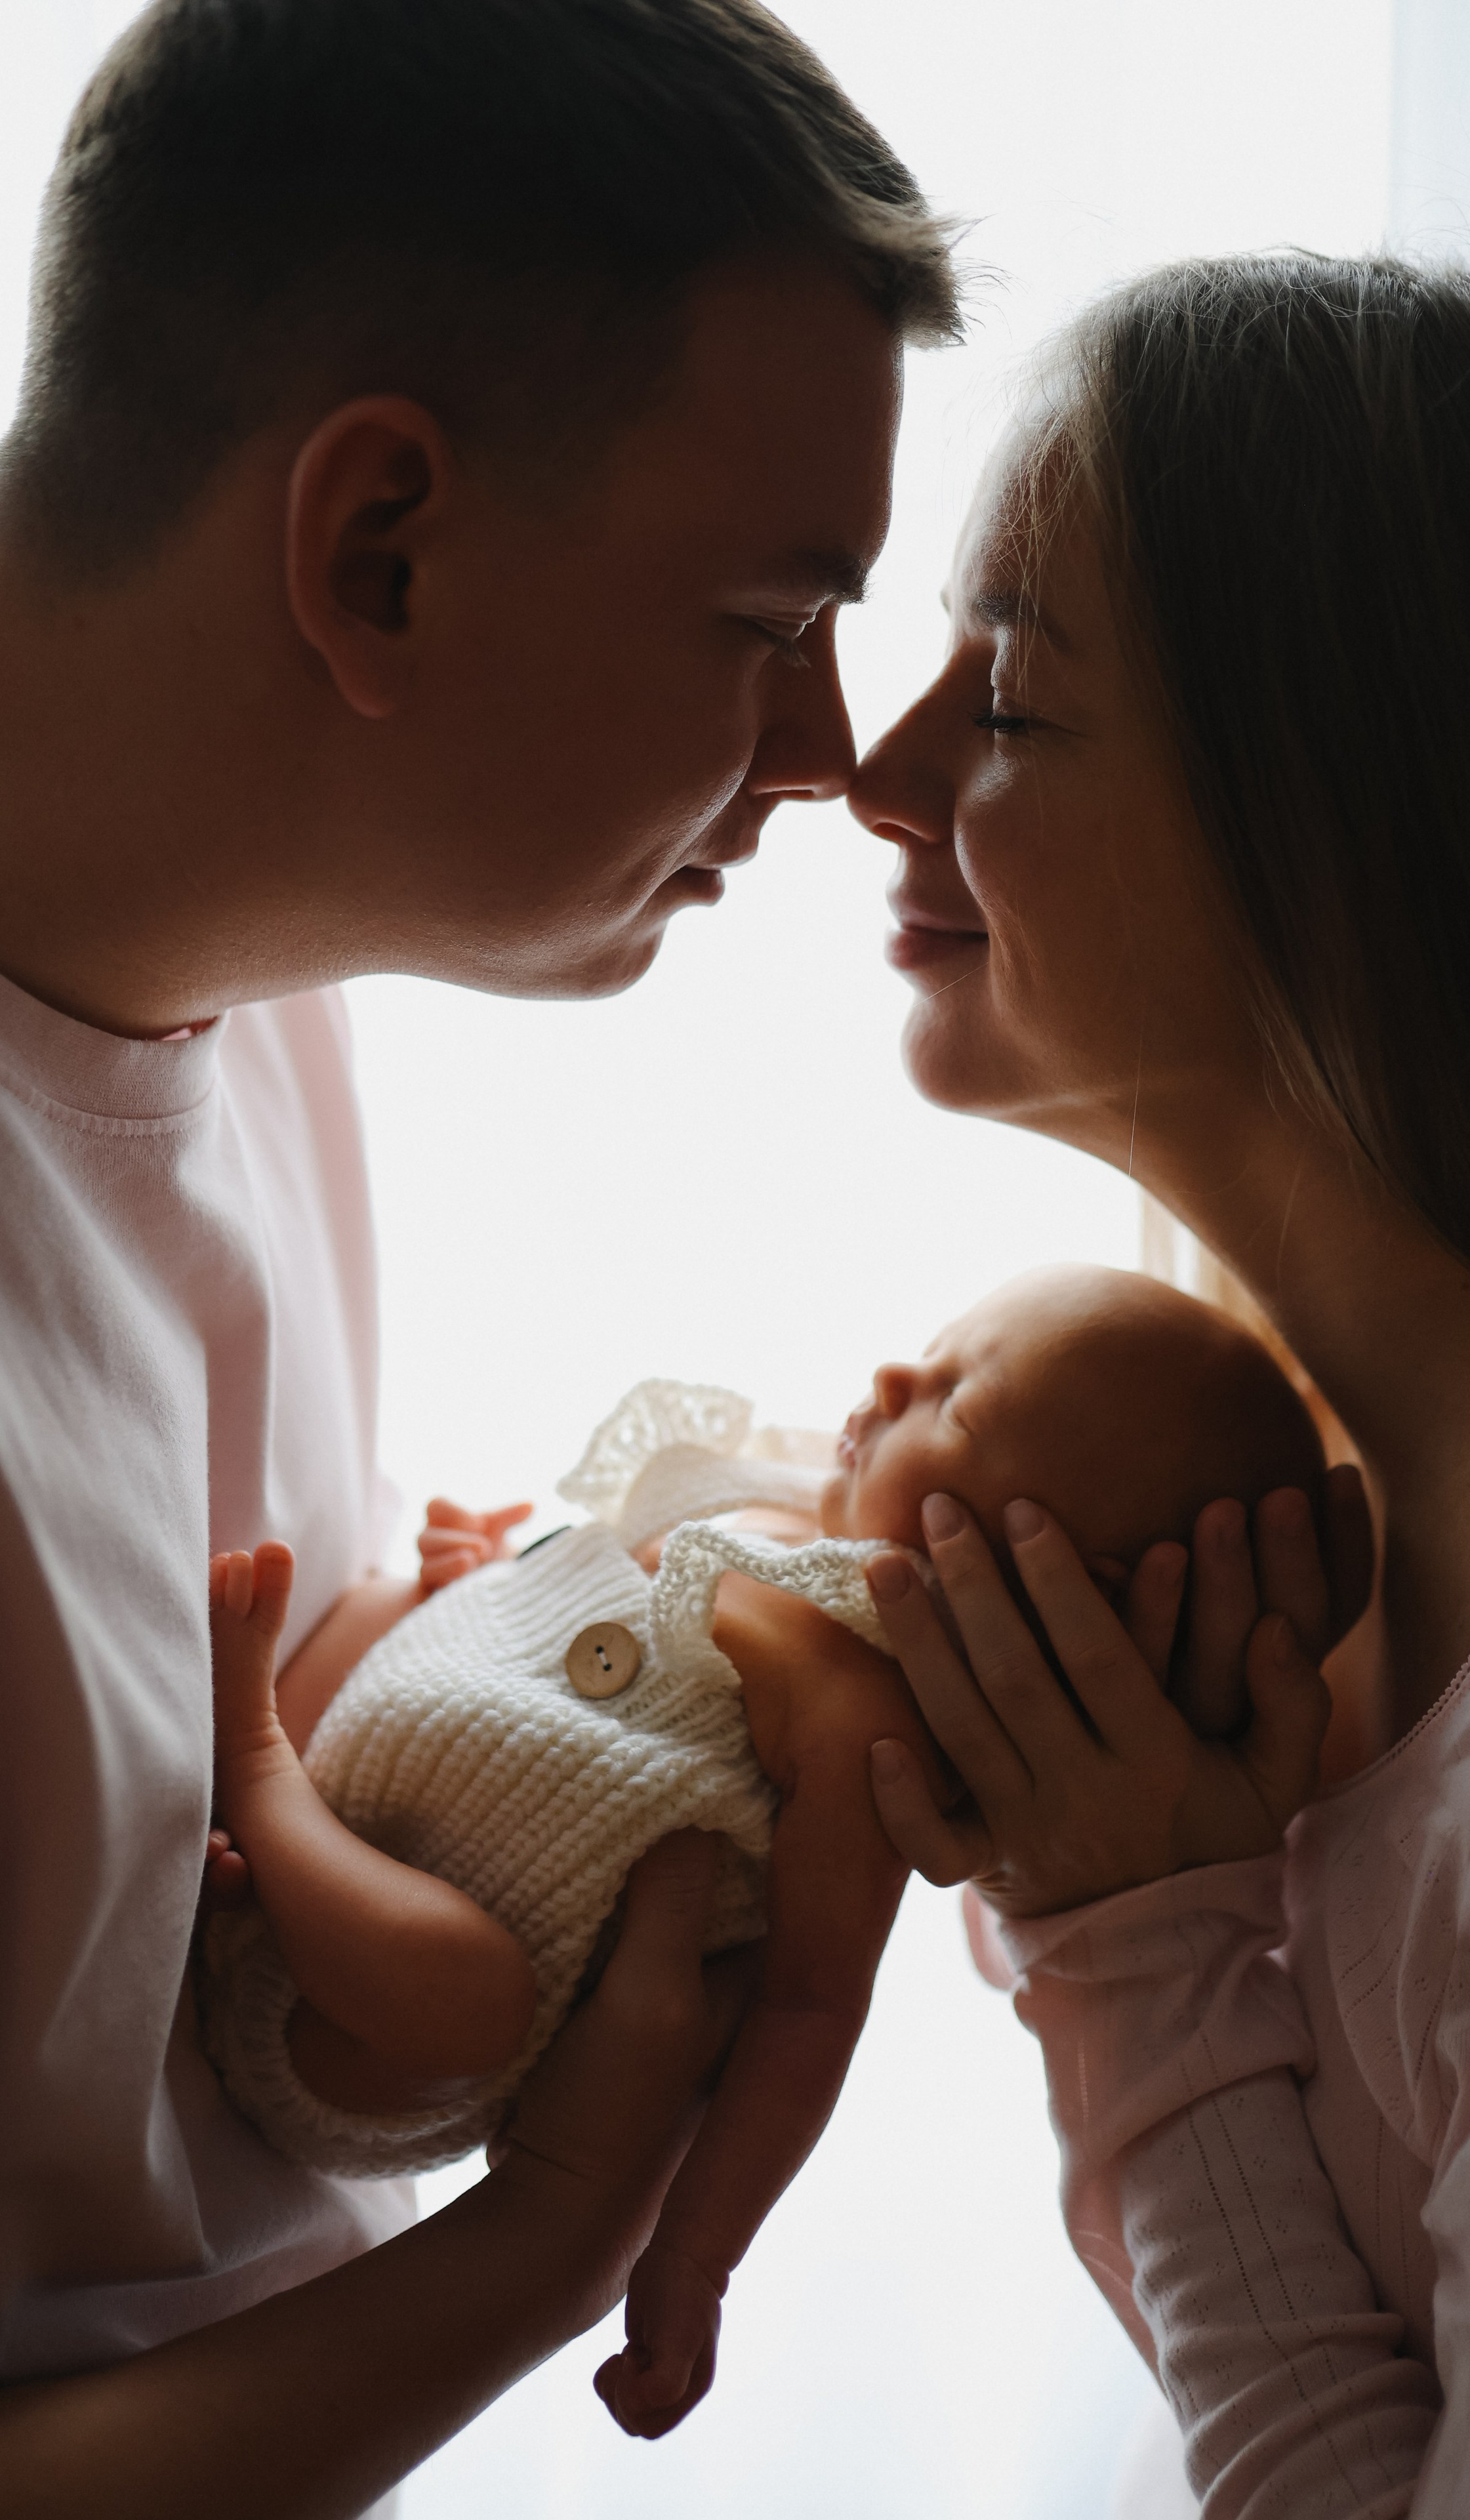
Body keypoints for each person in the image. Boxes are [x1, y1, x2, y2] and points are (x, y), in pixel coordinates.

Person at [0, 1, 961, 2510]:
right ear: (377, 549)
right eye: (773, 614)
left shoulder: (257, 994)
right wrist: (540, 2247)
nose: (836, 753)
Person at [849, 256, 1470, 2515]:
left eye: (1006, 695)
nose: (871, 766)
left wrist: (1136, 1973)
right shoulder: (1307, 1574)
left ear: (1366, 816)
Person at [193, 1264, 1340, 2439]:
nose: (896, 1377)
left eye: (960, 1404)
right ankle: (266, 1806)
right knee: (379, 1588)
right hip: (369, 1780)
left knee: (474, 1998)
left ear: (1052, 1585)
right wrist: (491, 1568)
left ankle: (256, 1772)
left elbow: (806, 2010)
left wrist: (694, 2259)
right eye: (931, 1350)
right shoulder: (777, 1492)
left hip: (355, 2023)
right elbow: (577, 1602)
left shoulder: (868, 1730)